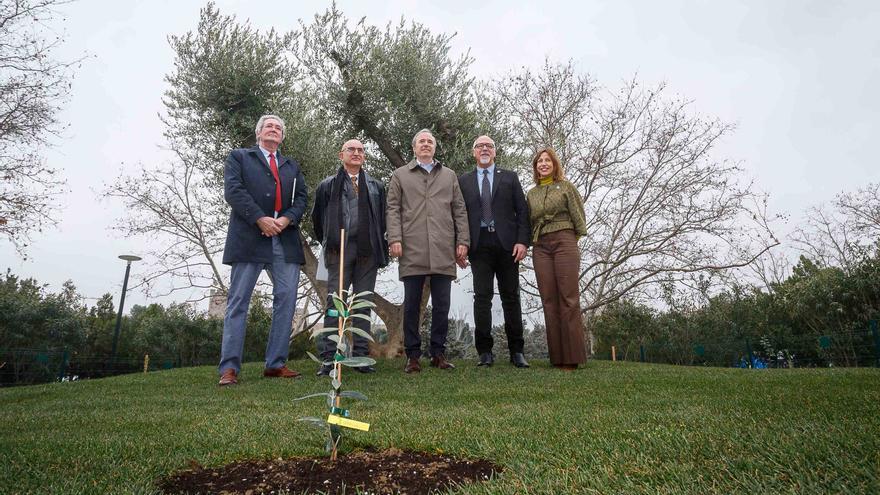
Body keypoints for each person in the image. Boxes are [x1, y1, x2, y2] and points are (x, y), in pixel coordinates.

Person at [217, 114, 308, 386]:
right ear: (259, 133)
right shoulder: (239, 158)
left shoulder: (291, 166)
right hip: (249, 237)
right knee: (238, 302)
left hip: (284, 239)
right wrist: (260, 218)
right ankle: (229, 368)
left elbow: (302, 198)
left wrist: (286, 218)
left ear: (282, 136)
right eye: (269, 126)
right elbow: (233, 191)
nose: (274, 130)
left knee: (287, 300)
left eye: (279, 127)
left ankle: (276, 364)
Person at [386, 128, 470, 373]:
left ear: (435, 147)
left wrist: (462, 240)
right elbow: (392, 209)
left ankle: (438, 353)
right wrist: (394, 238)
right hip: (412, 246)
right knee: (412, 304)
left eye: (429, 142)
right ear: (414, 148)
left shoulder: (449, 176)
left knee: (442, 303)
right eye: (421, 141)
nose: (425, 144)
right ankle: (412, 356)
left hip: (444, 246)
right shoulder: (400, 175)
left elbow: (460, 210)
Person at [311, 139, 388, 376]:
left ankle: (362, 357)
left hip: (368, 253)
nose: (356, 153)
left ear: (364, 156)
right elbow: (317, 220)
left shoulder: (376, 186)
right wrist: (332, 241)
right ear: (340, 154)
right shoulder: (327, 185)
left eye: (360, 150)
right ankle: (330, 358)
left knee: (363, 304)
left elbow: (382, 219)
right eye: (351, 150)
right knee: (335, 305)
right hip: (339, 252)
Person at [458, 135, 531, 368]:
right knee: (482, 298)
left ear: (495, 152)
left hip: (508, 246)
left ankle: (517, 351)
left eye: (489, 146)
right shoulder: (464, 181)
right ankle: (485, 352)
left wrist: (522, 242)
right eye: (479, 146)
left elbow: (522, 211)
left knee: (511, 297)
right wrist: (459, 244)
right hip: (479, 246)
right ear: (473, 152)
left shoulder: (509, 177)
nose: (484, 149)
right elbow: (457, 216)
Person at [526, 147, 587, 370]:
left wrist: (570, 239)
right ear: (535, 167)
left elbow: (579, 217)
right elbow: (529, 221)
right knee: (549, 299)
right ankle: (557, 357)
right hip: (540, 245)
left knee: (568, 297)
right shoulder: (531, 193)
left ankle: (572, 358)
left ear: (554, 164)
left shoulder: (566, 187)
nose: (543, 164)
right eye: (539, 161)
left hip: (564, 241)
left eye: (547, 160)